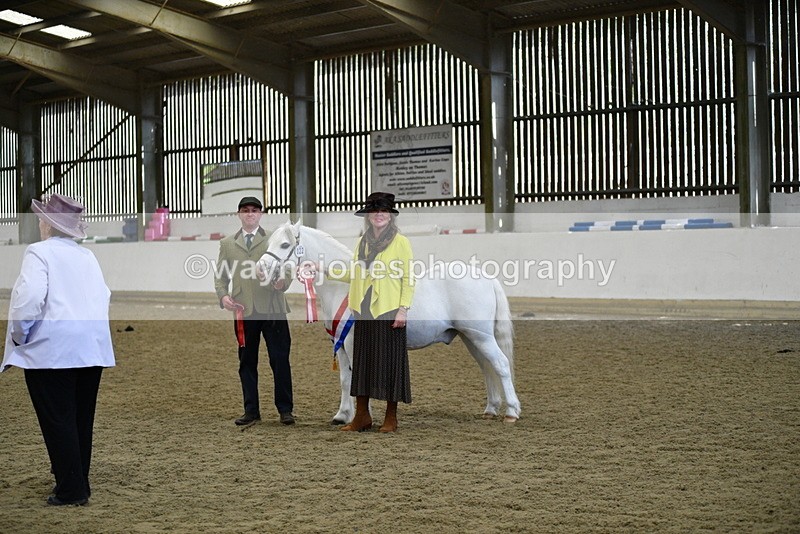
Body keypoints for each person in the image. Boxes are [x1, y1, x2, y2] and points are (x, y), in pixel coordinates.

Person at [2, 194, 115, 506]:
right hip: (91, 349)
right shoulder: (88, 256)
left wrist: (19, 337)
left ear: (48, 225)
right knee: (81, 418)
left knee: (58, 419)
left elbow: (29, 299)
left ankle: (71, 489)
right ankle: (80, 481)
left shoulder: (38, 252)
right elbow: (104, 296)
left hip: (52, 351)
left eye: (42, 219)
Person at [303, 192, 414, 432]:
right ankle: (362, 416)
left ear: (390, 216)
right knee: (362, 362)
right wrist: (322, 268)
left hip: (389, 308)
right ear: (368, 217)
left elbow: (408, 278)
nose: (378, 216)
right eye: (374, 212)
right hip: (363, 309)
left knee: (390, 362)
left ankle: (390, 417)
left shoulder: (401, 242)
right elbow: (353, 272)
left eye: (383, 211)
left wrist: (403, 309)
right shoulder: (362, 242)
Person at [214, 196, 295, 426]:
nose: (250, 214)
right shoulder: (227, 244)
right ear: (239, 214)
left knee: (280, 360)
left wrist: (282, 283)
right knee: (247, 361)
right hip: (244, 311)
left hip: (273, 308)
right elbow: (220, 276)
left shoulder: (274, 238)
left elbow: (287, 268)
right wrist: (224, 296)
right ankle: (251, 410)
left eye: (254, 210)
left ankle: (285, 409)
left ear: (261, 214)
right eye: (245, 210)